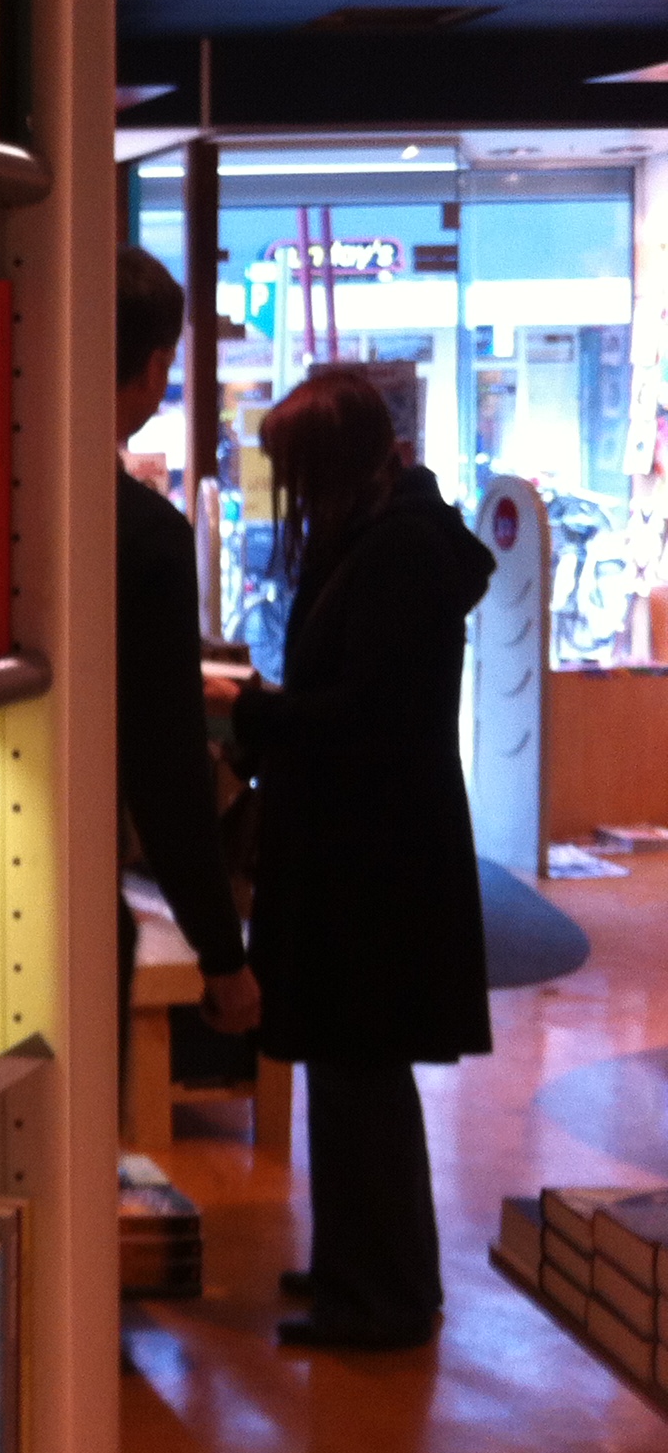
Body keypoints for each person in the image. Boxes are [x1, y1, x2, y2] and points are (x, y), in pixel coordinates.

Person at [213, 366, 495, 1350]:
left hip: (374, 864)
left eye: (297, 467)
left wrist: (251, 712)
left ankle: (381, 1297)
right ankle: (362, 1272)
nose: (287, 489)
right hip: (371, 851)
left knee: (360, 1072)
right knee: (351, 1072)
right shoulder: (383, 535)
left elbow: (366, 717)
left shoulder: (397, 551)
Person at [115, 247, 258, 1453]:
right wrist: (222, 953)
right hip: (60, 900)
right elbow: (166, 769)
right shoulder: (145, 538)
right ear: (156, 365)